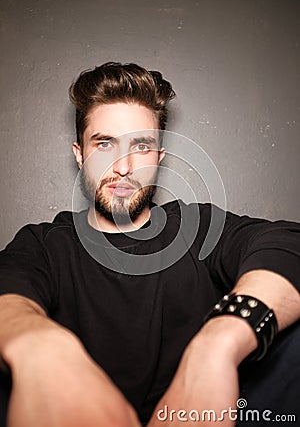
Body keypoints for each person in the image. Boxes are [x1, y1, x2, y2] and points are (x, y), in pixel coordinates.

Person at [0, 62, 299, 427]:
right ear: (79, 154)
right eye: (105, 144)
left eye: (140, 146)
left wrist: (218, 346)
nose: (124, 166)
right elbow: (8, 296)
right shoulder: (45, 245)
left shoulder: (198, 227)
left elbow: (287, 245)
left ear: (158, 159)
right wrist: (40, 349)